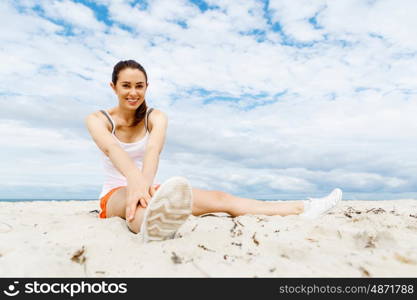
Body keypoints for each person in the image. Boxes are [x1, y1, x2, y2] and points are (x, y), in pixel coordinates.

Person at [85, 59, 342, 242]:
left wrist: (146, 188)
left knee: (221, 199)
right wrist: (138, 187)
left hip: (150, 187)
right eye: (126, 86)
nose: (133, 92)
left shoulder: (157, 117)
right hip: (116, 194)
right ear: (114, 87)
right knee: (140, 211)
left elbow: (153, 151)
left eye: (139, 86)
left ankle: (304, 207)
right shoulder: (98, 119)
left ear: (146, 87)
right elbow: (112, 150)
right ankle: (155, 226)